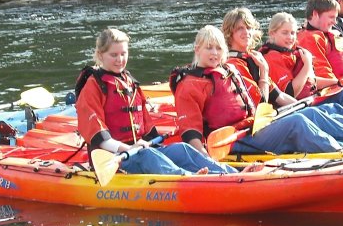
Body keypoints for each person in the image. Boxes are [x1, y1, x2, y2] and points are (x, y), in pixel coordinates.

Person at [171, 25, 343, 157]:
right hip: (230, 141)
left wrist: (263, 72)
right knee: (297, 122)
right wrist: (204, 159)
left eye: (218, 48)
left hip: (253, 127)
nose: (214, 53)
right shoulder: (189, 84)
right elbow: (190, 131)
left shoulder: (227, 70)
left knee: (309, 113)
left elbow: (259, 100)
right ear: (197, 49)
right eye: (208, 48)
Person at [76, 28, 235, 175]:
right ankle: (190, 178)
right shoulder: (93, 86)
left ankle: (229, 173)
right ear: (100, 54)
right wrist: (131, 148)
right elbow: (98, 136)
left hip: (139, 150)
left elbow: (147, 128)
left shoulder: (129, 82)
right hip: (113, 157)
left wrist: (147, 145)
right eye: (114, 55)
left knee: (181, 149)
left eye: (123, 54)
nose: (120, 59)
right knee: (148, 155)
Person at [224, 7, 343, 128]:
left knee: (339, 97)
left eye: (248, 28)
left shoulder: (255, 58)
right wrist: (306, 65)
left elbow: (279, 95)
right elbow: (268, 101)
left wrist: (308, 103)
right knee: (322, 110)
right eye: (240, 29)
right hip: (263, 121)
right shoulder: (255, 60)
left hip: (300, 102)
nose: (246, 32)